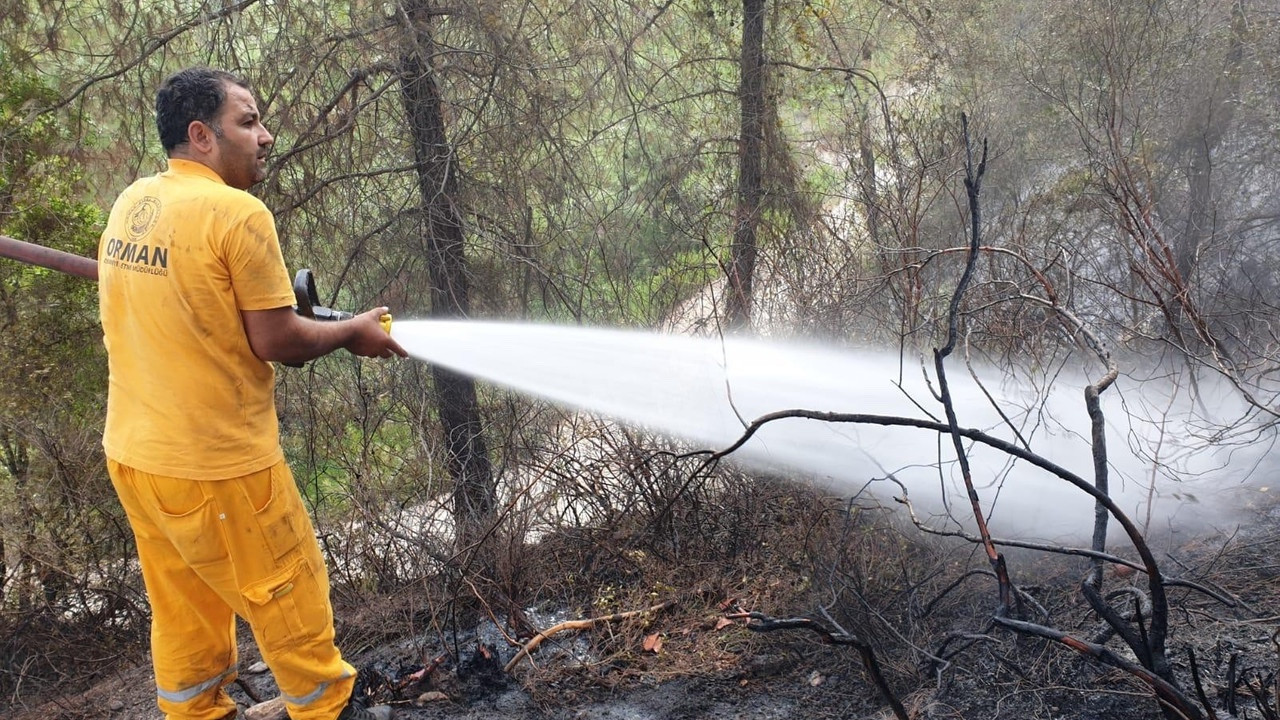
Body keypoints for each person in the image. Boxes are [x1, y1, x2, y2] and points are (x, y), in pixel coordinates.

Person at [98, 66, 406, 720]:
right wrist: (351, 332)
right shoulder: (237, 213)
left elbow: (198, 311)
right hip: (218, 465)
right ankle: (328, 709)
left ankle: (198, 711)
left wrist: (306, 321)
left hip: (136, 456)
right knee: (287, 594)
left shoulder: (135, 202)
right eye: (249, 121)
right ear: (201, 136)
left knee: (185, 608)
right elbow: (277, 341)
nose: (265, 136)